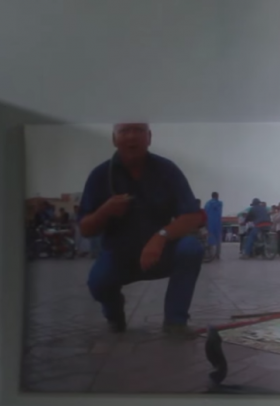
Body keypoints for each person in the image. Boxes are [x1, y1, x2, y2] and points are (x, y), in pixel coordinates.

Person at [77, 123, 204, 334]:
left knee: (191, 248)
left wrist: (161, 236)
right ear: (114, 139)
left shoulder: (167, 170)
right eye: (124, 131)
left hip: (159, 254)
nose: (131, 137)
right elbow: (85, 229)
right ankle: (114, 313)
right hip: (118, 257)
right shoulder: (100, 175)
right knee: (98, 283)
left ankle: (175, 321)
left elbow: (192, 216)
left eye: (138, 130)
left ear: (149, 137)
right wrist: (104, 211)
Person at [204, 191, 223, 259]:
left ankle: (210, 254)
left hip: (209, 224)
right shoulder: (219, 203)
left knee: (209, 239)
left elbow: (205, 213)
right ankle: (217, 254)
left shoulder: (207, 204)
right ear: (217, 196)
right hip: (217, 224)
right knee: (218, 239)